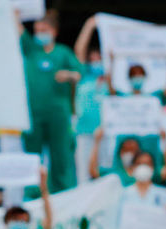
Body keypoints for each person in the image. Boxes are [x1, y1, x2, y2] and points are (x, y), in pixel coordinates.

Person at [19, 11, 81, 193]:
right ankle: (32, 196)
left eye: (44, 30)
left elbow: (79, 73)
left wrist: (68, 75)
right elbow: (18, 29)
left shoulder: (63, 52)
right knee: (32, 157)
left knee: (61, 155)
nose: (39, 34)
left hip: (58, 113)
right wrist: (14, 11)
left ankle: (63, 193)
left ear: (54, 31)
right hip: (33, 113)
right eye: (37, 30)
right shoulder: (31, 50)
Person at [72, 16, 110, 186]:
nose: (96, 62)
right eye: (92, 60)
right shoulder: (84, 76)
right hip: (84, 132)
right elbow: (79, 51)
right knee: (83, 175)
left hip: (106, 134)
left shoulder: (111, 80)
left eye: (99, 59)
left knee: (106, 175)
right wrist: (89, 26)